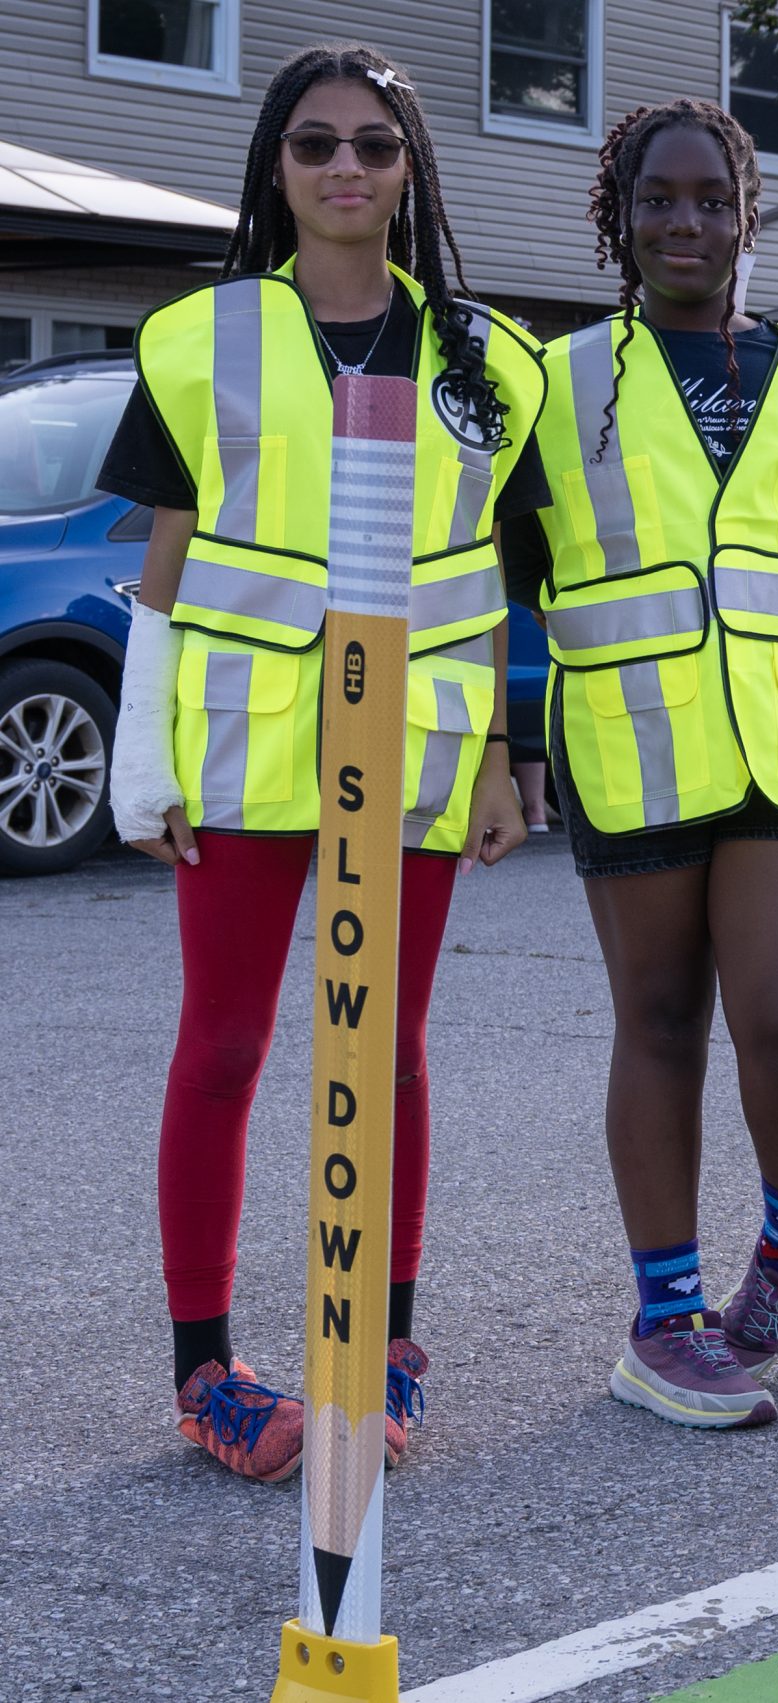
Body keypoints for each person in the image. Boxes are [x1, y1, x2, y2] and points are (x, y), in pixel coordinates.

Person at [102, 43, 544, 1479]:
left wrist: (494, 757)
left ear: (412, 170)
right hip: (241, 752)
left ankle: (385, 1346)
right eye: (315, 145)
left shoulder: (493, 363)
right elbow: (163, 575)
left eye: (375, 144)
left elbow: (489, 582)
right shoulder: (199, 337)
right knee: (224, 1045)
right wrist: (136, 763)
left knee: (392, 1047)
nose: (345, 168)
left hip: (412, 751)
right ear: (276, 169)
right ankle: (207, 1375)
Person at [514, 98, 778, 1428]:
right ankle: (665, 1317)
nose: (687, 222)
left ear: (749, 211)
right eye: (658, 200)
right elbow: (520, 571)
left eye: (712, 198)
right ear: (617, 220)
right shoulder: (555, 383)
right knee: (661, 1019)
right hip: (629, 740)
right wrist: (513, 746)